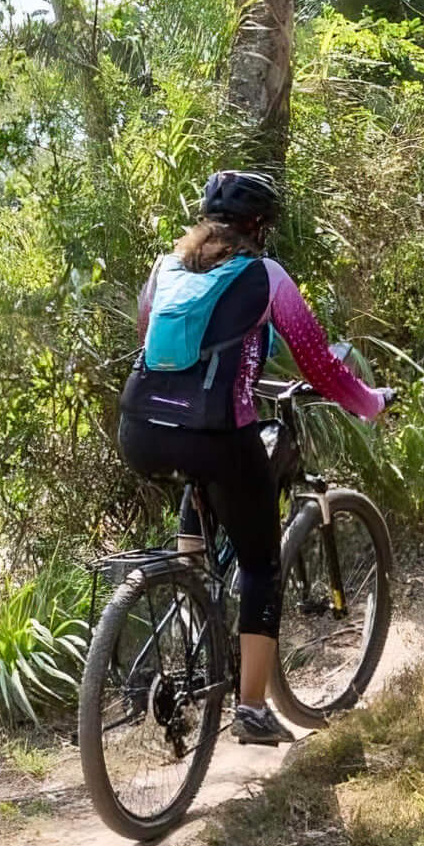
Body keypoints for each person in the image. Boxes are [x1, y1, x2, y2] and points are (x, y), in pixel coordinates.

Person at [117, 168, 390, 746]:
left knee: (201, 504)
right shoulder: (265, 276)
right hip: (216, 434)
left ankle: (193, 624)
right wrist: (368, 402)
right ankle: (251, 710)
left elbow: (149, 340)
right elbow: (318, 361)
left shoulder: (163, 269)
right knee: (262, 565)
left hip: (140, 429)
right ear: (258, 227)